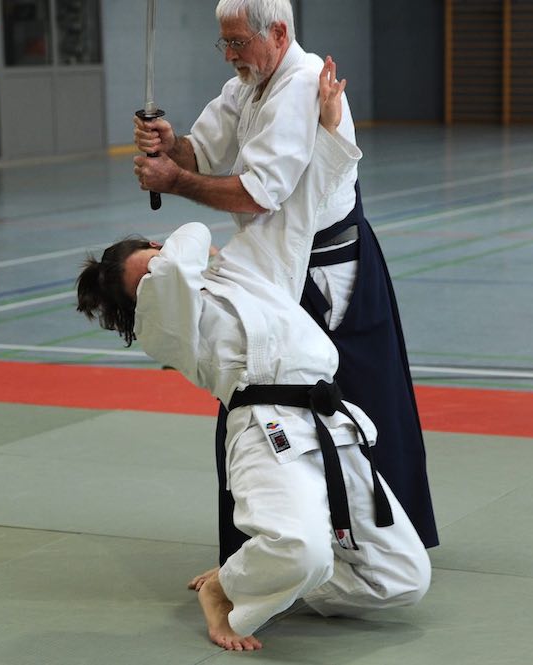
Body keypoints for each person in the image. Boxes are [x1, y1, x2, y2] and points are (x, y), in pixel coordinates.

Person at [76, 67, 430, 651]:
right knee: (303, 548)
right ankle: (232, 589)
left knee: (403, 582)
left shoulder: (243, 268)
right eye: (148, 270)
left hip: (332, 426)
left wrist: (329, 126)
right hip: (268, 433)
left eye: (154, 256)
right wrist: (166, 246)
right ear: (137, 299)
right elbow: (188, 235)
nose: (163, 262)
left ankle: (268, 577)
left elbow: (301, 207)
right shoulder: (164, 322)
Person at [132, 0, 438, 569]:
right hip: (275, 265)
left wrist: (173, 180)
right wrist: (170, 145)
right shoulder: (247, 83)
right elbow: (202, 151)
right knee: (257, 400)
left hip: (326, 272)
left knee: (343, 402)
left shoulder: (300, 84)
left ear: (276, 32)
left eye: (237, 43)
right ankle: (259, 548)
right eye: (222, 44)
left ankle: (380, 540)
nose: (229, 55)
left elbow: (256, 192)